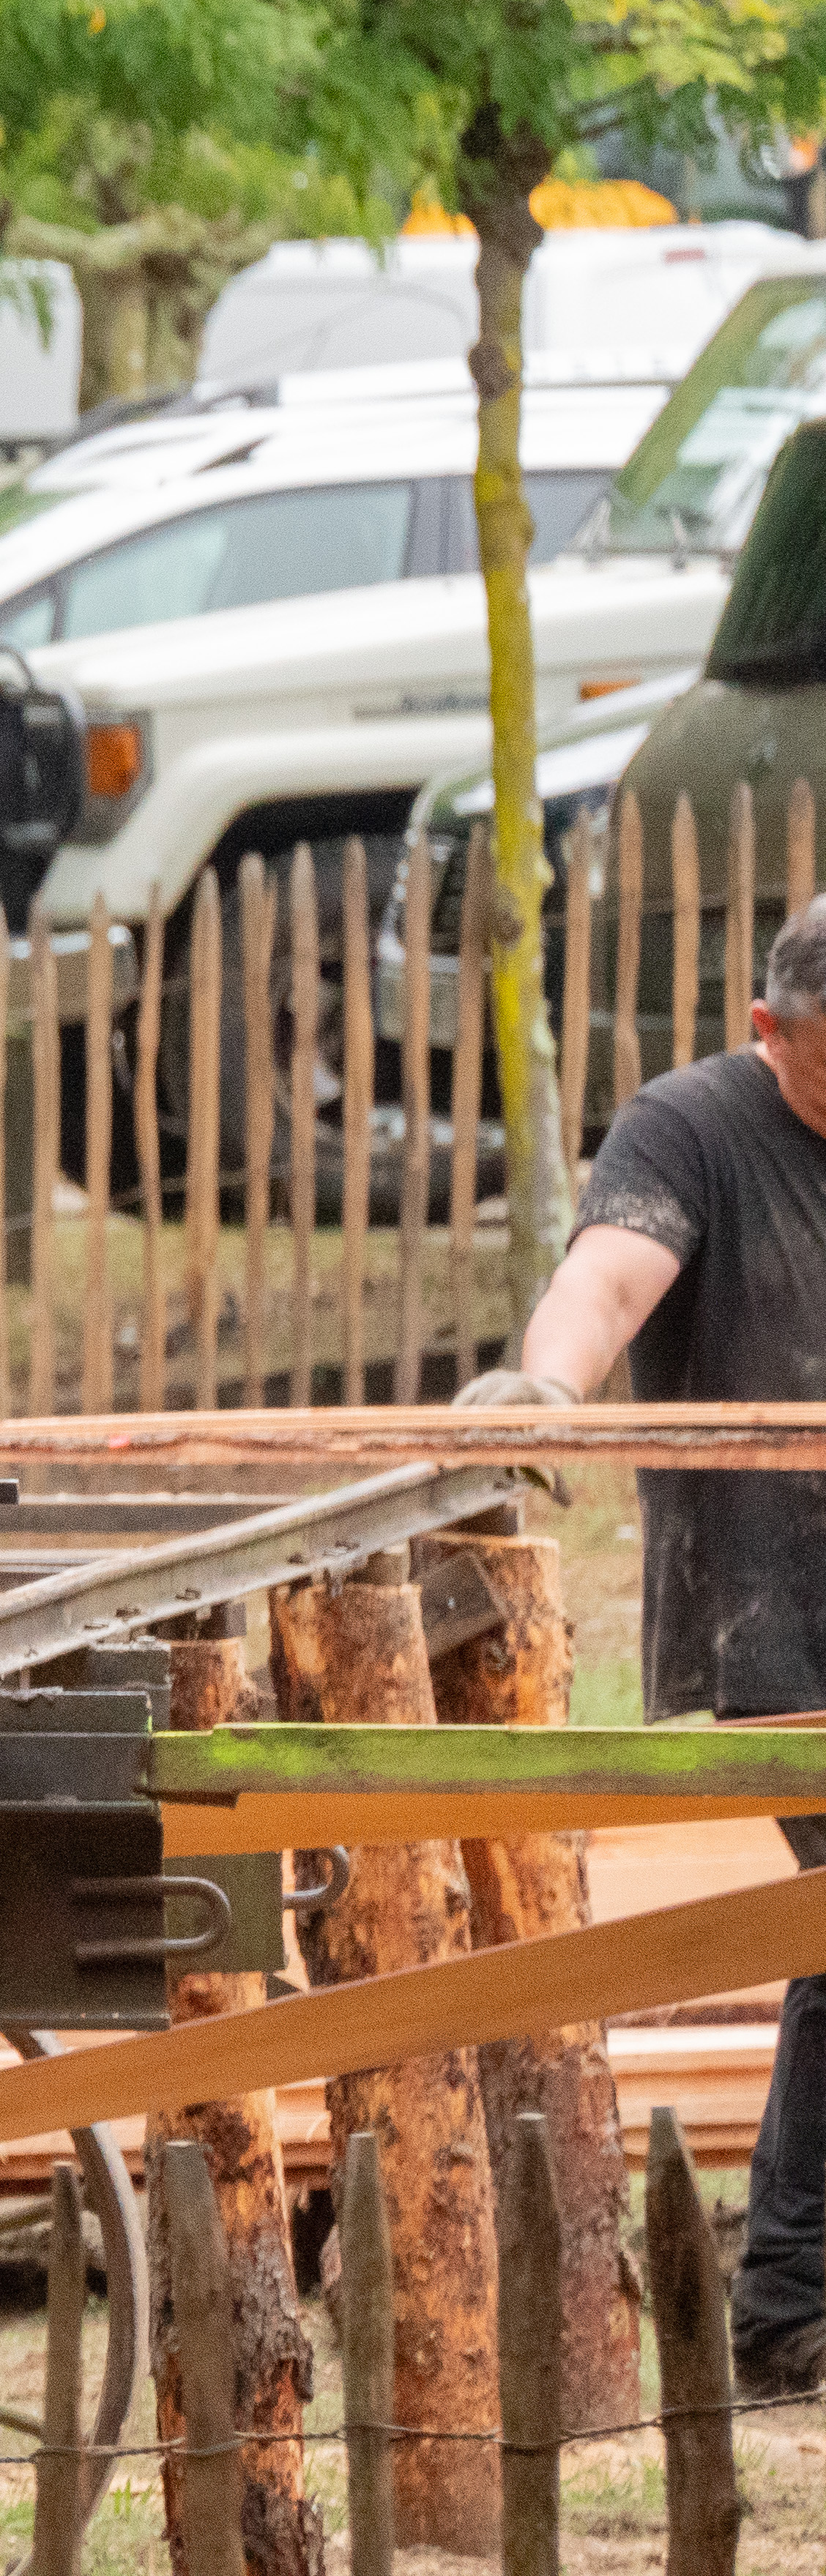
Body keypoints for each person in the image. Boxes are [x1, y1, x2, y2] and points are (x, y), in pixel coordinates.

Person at [458, 889, 826, 2397]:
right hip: (773, 1627)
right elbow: (609, 1276)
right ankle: (791, 2297)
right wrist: (547, 1390)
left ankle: (795, 2293)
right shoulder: (691, 1130)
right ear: (768, 1032)